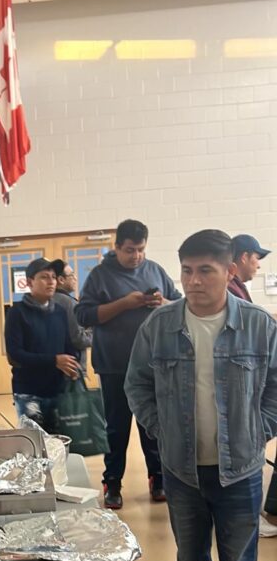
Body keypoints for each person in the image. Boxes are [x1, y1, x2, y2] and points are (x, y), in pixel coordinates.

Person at [125, 229, 277, 561]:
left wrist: (260, 428)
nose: (193, 281)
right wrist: (162, 430)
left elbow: (276, 386)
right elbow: (136, 385)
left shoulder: (258, 325)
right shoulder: (159, 326)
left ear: (229, 271)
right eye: (187, 271)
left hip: (240, 471)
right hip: (183, 471)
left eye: (205, 271)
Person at [76, 218, 181, 509]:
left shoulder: (155, 270)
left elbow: (180, 305)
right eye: (130, 250)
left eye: (141, 250)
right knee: (116, 428)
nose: (137, 256)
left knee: (154, 426)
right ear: (117, 247)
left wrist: (163, 303)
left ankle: (158, 479)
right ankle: (112, 483)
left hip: (153, 365)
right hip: (114, 365)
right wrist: (125, 303)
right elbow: (83, 315)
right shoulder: (99, 275)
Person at [4, 258, 80, 433]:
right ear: (30, 282)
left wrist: (73, 364)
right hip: (28, 392)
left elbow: (68, 345)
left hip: (57, 391)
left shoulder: (60, 311)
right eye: (44, 277)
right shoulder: (17, 312)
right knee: (35, 443)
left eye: (53, 277)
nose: (51, 282)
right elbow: (15, 354)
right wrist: (54, 360)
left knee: (58, 443)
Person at [50, 259, 92, 362]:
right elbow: (79, 339)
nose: (75, 278)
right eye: (72, 275)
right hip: (71, 364)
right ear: (61, 279)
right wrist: (95, 331)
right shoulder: (68, 303)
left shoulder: (47, 299)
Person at [228, 233, 270, 301]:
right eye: (257, 258)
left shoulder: (234, 287)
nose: (258, 266)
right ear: (244, 257)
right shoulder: (231, 291)